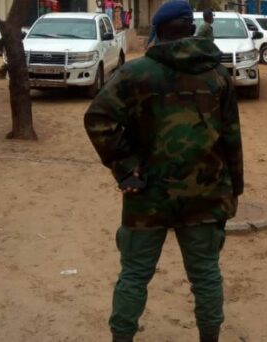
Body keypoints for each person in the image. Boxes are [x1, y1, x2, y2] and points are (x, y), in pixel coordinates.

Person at [83, 1, 243, 341]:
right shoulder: (218, 76)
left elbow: (98, 118)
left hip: (146, 194)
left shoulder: (135, 73)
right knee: (206, 276)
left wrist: (126, 168)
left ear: (160, 31)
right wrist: (234, 191)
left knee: (135, 274)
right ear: (189, 28)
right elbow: (232, 138)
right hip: (206, 194)